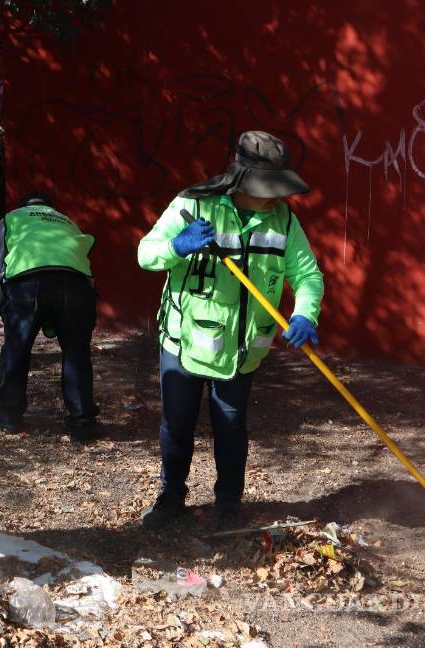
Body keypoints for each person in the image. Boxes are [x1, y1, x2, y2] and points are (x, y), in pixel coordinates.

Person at [136, 131, 324, 531]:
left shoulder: (283, 220)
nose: (275, 197)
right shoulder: (192, 205)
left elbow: (307, 274)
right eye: (266, 188)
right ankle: (171, 497)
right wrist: (176, 247)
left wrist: (306, 313)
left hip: (242, 350)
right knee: (177, 423)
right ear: (242, 180)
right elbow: (146, 254)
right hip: (184, 341)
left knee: (231, 425)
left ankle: (228, 505)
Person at [0, 193, 100, 442]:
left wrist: (0, 301)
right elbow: (83, 258)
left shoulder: (12, 218)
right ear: (49, 208)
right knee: (76, 353)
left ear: (25, 207)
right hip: (75, 284)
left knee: (17, 349)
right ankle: (82, 423)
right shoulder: (66, 220)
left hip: (27, 283)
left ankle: (9, 417)